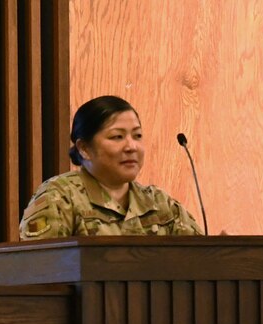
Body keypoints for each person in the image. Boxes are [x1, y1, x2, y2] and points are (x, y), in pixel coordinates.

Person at [19, 95, 203, 239]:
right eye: (117, 137)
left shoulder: (161, 204)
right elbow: (39, 273)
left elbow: (198, 263)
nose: (131, 146)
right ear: (84, 148)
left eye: (137, 135)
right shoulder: (59, 198)